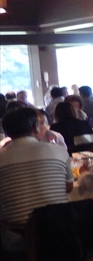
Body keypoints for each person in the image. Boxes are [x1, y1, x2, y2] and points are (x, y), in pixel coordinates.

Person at [0, 108, 72, 252]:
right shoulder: (59, 151)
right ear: (36, 127)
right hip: (63, 234)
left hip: (21, 238)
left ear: (7, 133)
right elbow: (68, 188)